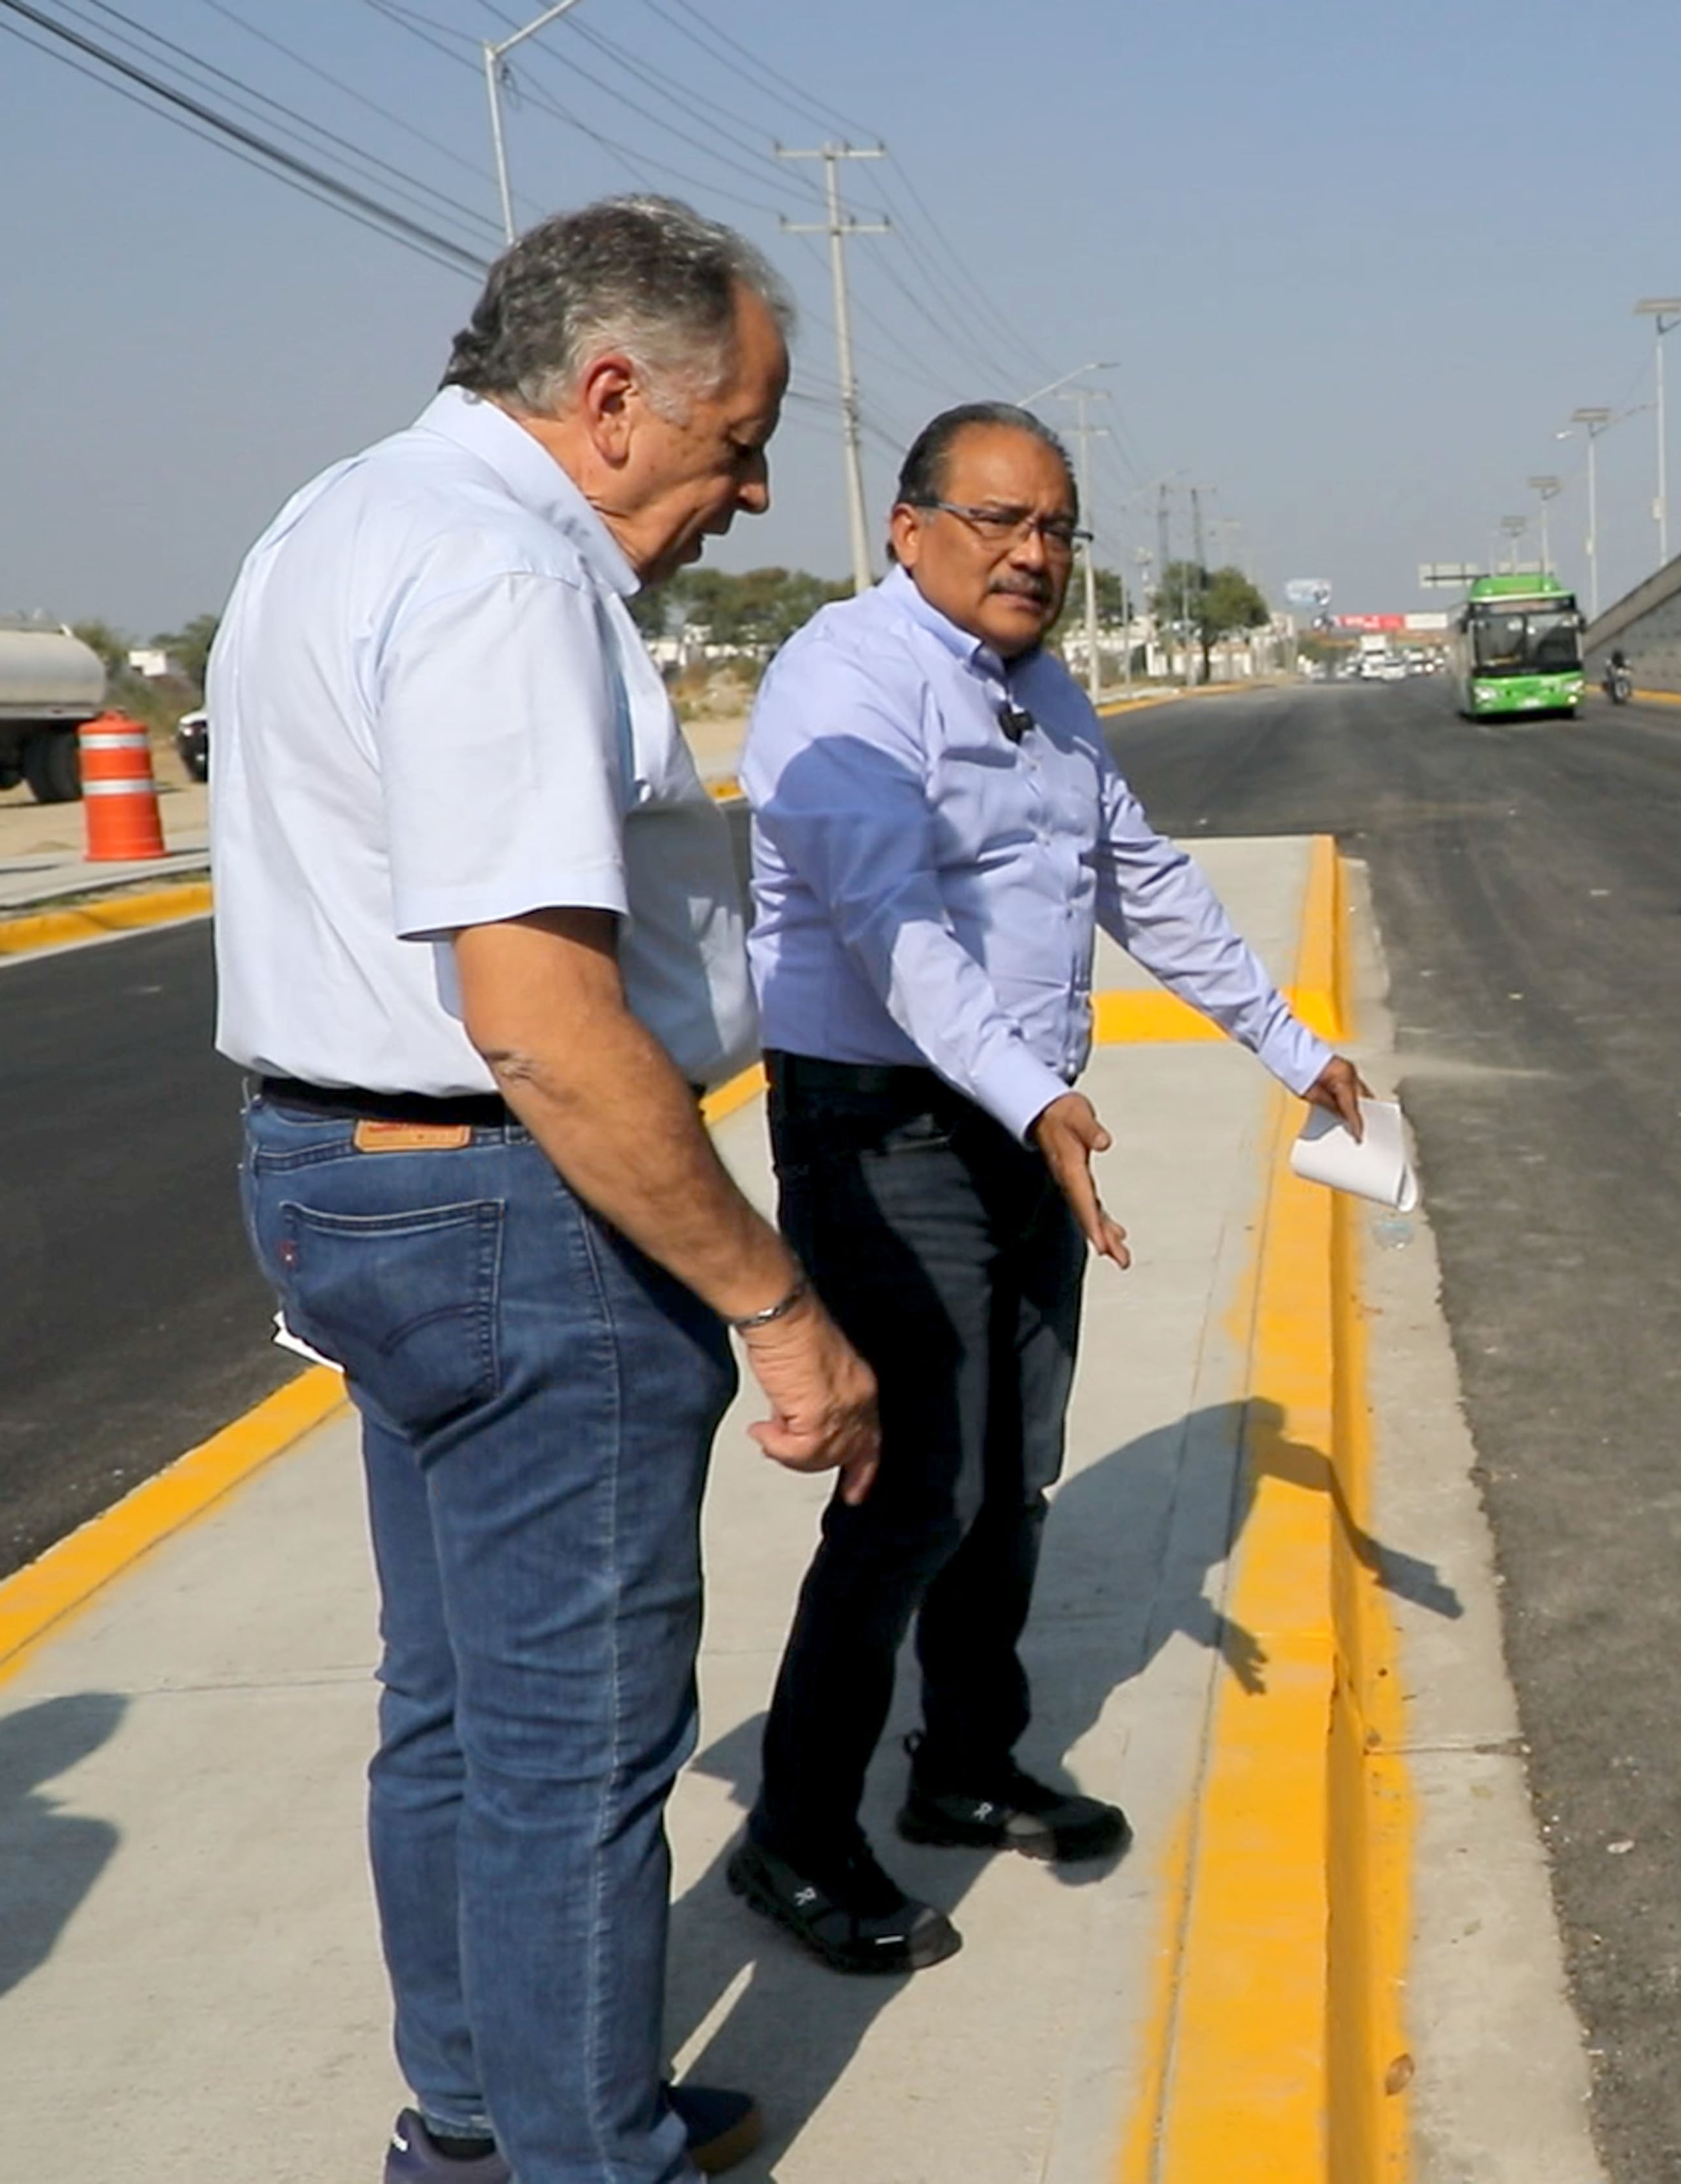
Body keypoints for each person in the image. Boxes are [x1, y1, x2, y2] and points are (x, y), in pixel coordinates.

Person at [211, 197, 880, 2184]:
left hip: (345, 1179)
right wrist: (777, 1302)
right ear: (609, 397)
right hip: (521, 1210)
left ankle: (483, 2119)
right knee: (576, 1746)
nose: (750, 489)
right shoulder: (503, 573)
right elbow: (544, 1021)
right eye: (738, 434)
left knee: (452, 1706)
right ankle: (594, 2158)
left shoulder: (331, 516)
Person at [730, 402, 1367, 1973]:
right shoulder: (845, 683)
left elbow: (1136, 875)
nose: (1035, 556)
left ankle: (961, 1761)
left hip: (1016, 1122)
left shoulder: (1041, 690)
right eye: (1000, 521)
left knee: (1013, 1464)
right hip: (885, 1128)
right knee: (911, 1489)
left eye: (1058, 530)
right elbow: (890, 927)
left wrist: (1292, 1046)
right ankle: (794, 1833)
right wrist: (1041, 1100)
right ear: (908, 525)